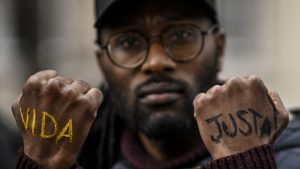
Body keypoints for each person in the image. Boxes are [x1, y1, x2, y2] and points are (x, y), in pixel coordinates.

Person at [11, 0, 300, 168]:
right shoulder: (82, 157)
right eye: (128, 42)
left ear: (220, 48)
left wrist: (246, 161)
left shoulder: (287, 152)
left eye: (182, 35)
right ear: (103, 62)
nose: (155, 62)